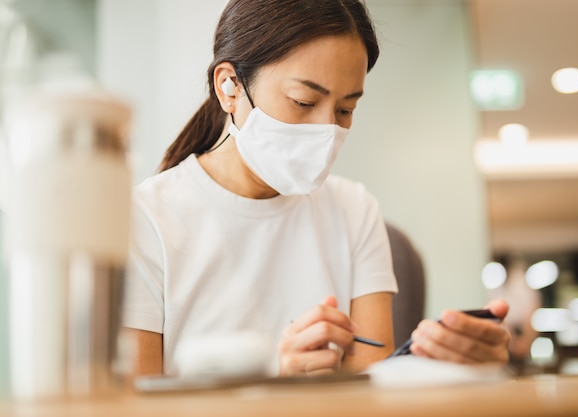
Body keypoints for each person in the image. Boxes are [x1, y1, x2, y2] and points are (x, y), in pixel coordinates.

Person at [122, 0, 511, 378]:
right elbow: (133, 406)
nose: (326, 132)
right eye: (303, 101)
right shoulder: (145, 220)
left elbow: (372, 394)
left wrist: (452, 369)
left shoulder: (354, 210)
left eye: (345, 110)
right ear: (229, 87)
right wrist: (273, 380)